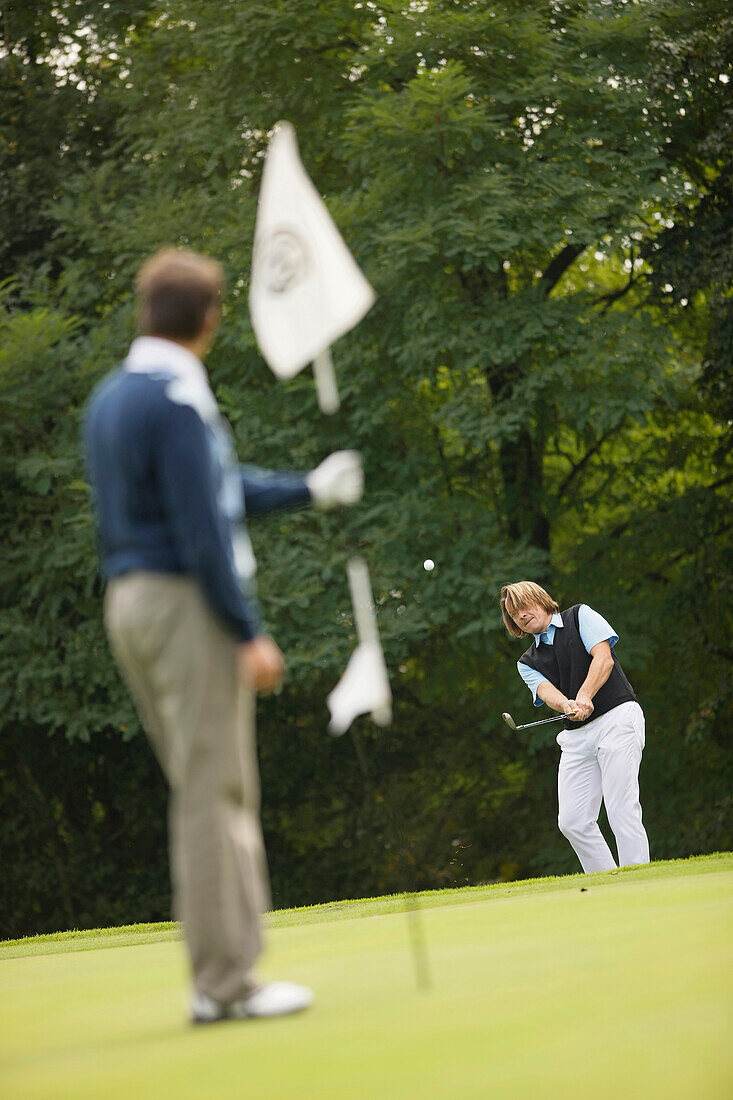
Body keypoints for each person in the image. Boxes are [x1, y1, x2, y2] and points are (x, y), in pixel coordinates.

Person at [83, 247, 364, 1024]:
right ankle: (225, 983)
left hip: (131, 603)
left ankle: (223, 977)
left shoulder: (113, 395)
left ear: (147, 313)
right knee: (216, 791)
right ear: (207, 319)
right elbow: (201, 522)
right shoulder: (176, 395)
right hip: (182, 601)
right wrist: (246, 630)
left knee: (204, 787)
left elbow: (213, 487)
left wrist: (306, 488)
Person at [500, 581, 650, 873]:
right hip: (576, 737)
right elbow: (546, 692)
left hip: (617, 718)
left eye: (523, 606)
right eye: (513, 613)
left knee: (621, 807)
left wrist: (584, 696)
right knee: (572, 821)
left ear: (540, 601)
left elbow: (603, 659)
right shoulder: (526, 661)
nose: (520, 615)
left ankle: (639, 877)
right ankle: (608, 879)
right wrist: (568, 705)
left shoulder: (580, 616)